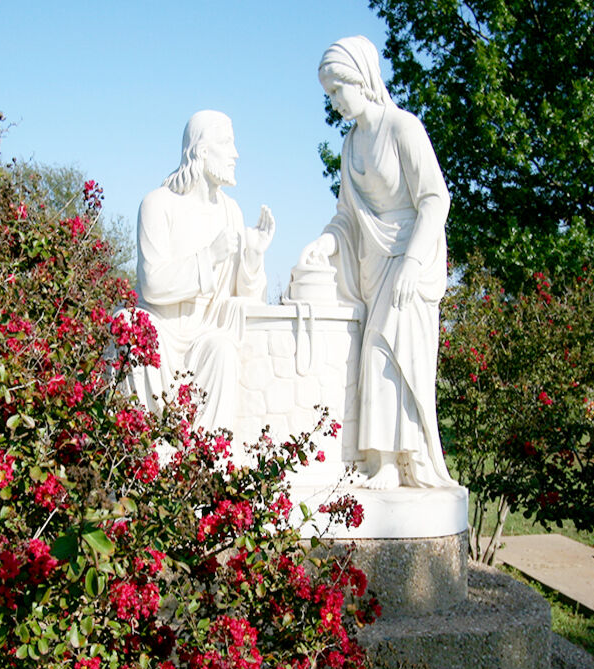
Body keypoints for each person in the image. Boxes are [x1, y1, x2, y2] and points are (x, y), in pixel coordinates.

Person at [300, 36, 457, 489]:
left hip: (412, 261)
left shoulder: (404, 128)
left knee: (389, 353)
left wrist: (412, 262)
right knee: (372, 356)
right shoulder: (350, 146)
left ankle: (399, 460)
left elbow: (434, 199)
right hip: (374, 261)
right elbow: (346, 216)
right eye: (328, 94)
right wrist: (324, 245)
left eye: (337, 90)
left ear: (362, 79)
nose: (334, 102)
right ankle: (383, 461)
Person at [131, 110, 275, 432]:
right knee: (130, 326)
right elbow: (152, 283)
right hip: (162, 328)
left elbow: (244, 297)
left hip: (206, 331)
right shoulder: (157, 204)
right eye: (228, 143)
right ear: (202, 150)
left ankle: (205, 460)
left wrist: (253, 256)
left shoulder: (231, 212)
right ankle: (147, 449)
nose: (236, 154)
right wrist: (208, 256)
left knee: (222, 348)